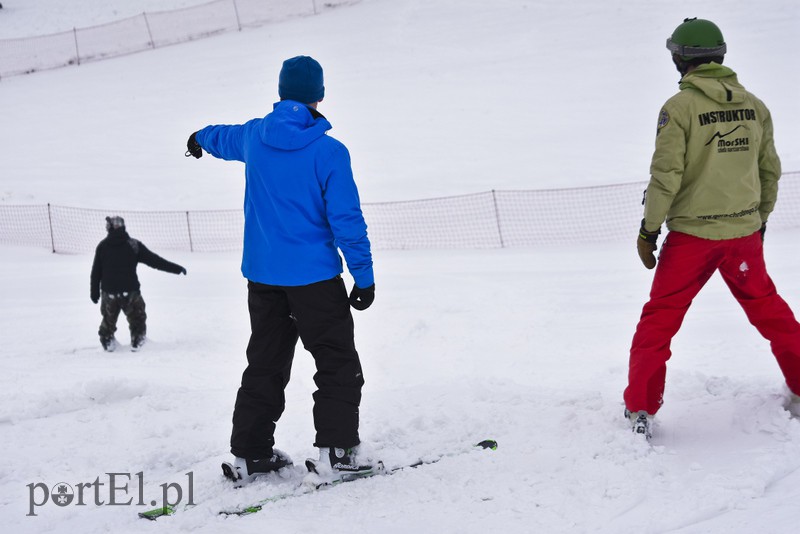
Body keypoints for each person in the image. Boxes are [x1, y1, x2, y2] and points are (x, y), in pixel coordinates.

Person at [186, 55, 376, 484]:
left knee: (265, 363)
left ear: (281, 92)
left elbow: (222, 137)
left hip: (264, 278)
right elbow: (346, 220)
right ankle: (340, 450)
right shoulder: (328, 151)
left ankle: (250, 454)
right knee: (336, 363)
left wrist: (198, 137)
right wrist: (363, 277)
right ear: (319, 95)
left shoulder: (256, 136)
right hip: (314, 281)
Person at [624, 18, 800, 439]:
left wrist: (649, 232)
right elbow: (770, 172)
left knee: (659, 321)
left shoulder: (679, 108)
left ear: (679, 58)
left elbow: (665, 176)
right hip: (742, 236)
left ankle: (641, 410)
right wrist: (760, 223)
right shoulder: (755, 106)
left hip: (691, 240)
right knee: (772, 312)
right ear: (719, 55)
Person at [90, 216, 187, 352]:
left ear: (110, 228)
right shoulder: (133, 245)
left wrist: (94, 292)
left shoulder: (102, 246)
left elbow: (96, 273)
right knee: (137, 319)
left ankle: (107, 341)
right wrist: (176, 268)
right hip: (130, 292)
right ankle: (138, 340)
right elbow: (155, 261)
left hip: (109, 294)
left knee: (108, 320)